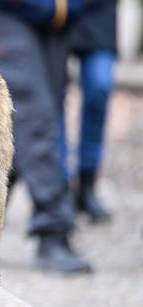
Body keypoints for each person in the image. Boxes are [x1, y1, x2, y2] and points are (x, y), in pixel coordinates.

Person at [0, 1, 94, 273]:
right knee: (36, 117)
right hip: (10, 11)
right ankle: (51, 230)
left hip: (60, 16)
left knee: (33, 123)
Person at [59, 1, 116, 223]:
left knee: (99, 87)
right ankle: (60, 185)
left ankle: (87, 183)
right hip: (56, 10)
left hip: (100, 12)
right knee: (53, 94)